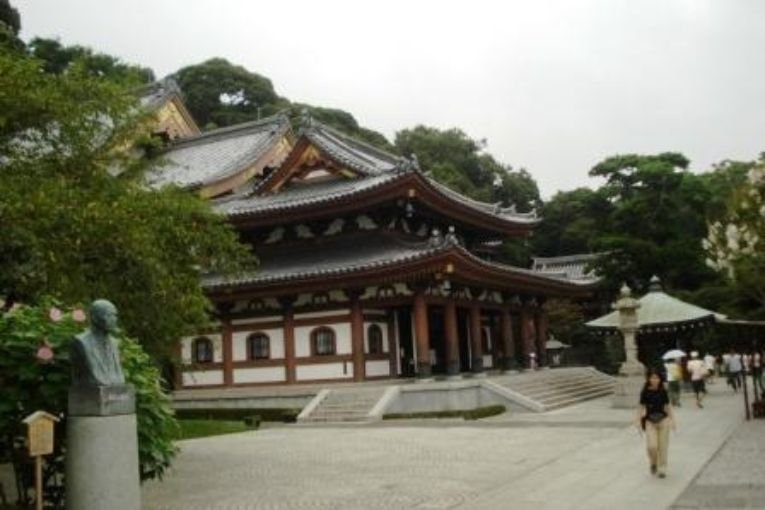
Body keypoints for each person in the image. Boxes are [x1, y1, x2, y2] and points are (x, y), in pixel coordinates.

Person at [70, 299, 126, 387]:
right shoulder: (81, 342)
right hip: (89, 395)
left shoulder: (115, 343)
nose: (114, 319)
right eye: (109, 315)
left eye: (115, 315)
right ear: (95, 318)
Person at [636, 369, 676, 478]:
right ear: (649, 379)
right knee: (652, 447)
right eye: (653, 377)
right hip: (650, 422)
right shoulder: (645, 392)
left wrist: (673, 420)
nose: (655, 380)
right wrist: (638, 421)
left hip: (663, 421)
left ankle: (662, 468)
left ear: (660, 379)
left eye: (657, 378)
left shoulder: (663, 391)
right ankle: (653, 462)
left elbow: (667, 406)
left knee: (663, 446)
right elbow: (640, 407)